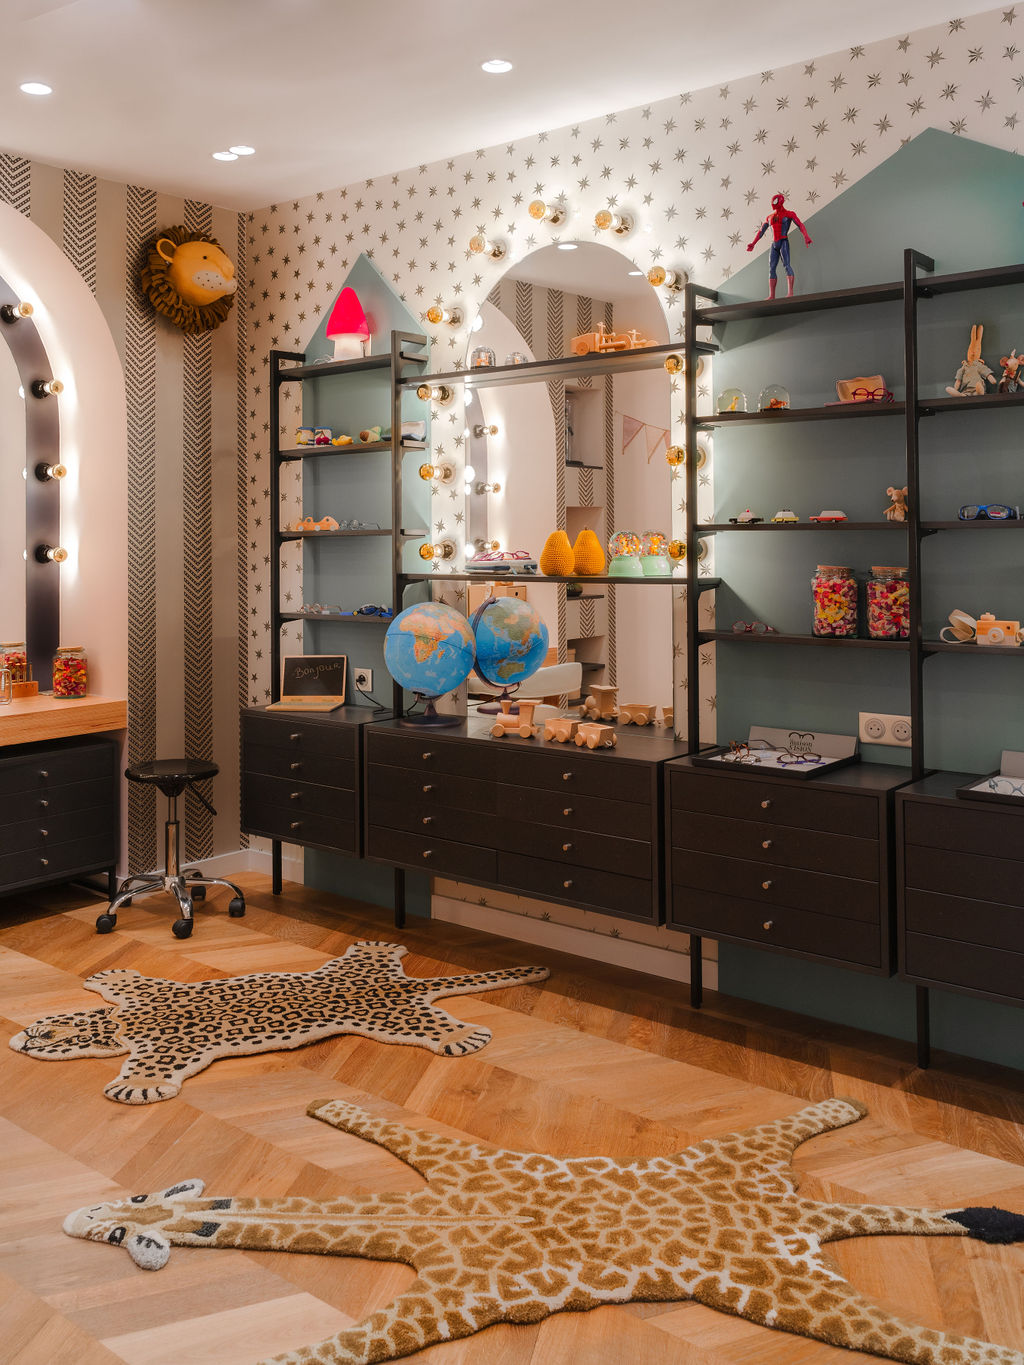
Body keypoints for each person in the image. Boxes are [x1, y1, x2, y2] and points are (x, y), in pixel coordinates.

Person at [747, 193, 812, 299]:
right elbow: (761, 231)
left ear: (781, 201)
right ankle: (771, 295)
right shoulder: (769, 217)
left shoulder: (789, 214)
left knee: (787, 265)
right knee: (771, 268)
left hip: (783, 241)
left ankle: (790, 293)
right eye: (772, 201)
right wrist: (753, 243)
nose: (773, 203)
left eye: (775, 201)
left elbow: (800, 225)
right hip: (774, 244)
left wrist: (806, 236)